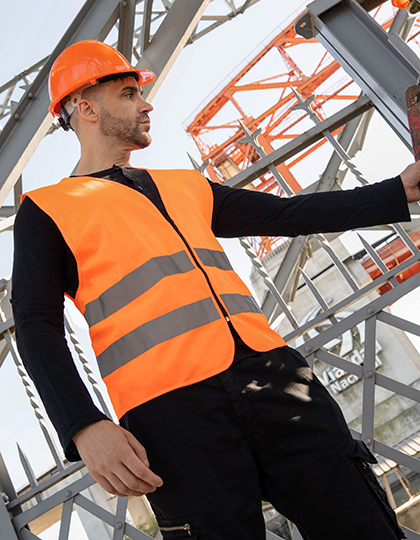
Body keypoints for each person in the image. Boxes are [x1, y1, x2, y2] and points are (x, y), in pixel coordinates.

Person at [11, 39, 420, 540]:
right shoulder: (48, 209)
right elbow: (36, 323)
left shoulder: (187, 186)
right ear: (86, 108)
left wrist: (398, 190)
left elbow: (287, 215)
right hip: (171, 417)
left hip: (275, 379)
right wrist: (82, 425)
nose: (146, 105)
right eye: (128, 94)